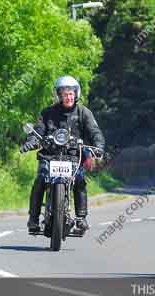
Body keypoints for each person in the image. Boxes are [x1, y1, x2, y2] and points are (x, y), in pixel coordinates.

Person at [21, 75, 105, 233]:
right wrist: (31, 141)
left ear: (76, 93)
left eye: (71, 93)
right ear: (58, 95)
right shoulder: (47, 113)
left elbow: (95, 132)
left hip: (73, 155)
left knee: (79, 181)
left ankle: (81, 218)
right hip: (49, 155)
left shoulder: (83, 112)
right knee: (40, 181)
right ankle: (33, 219)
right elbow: (38, 131)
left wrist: (98, 146)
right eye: (65, 94)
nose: (68, 97)